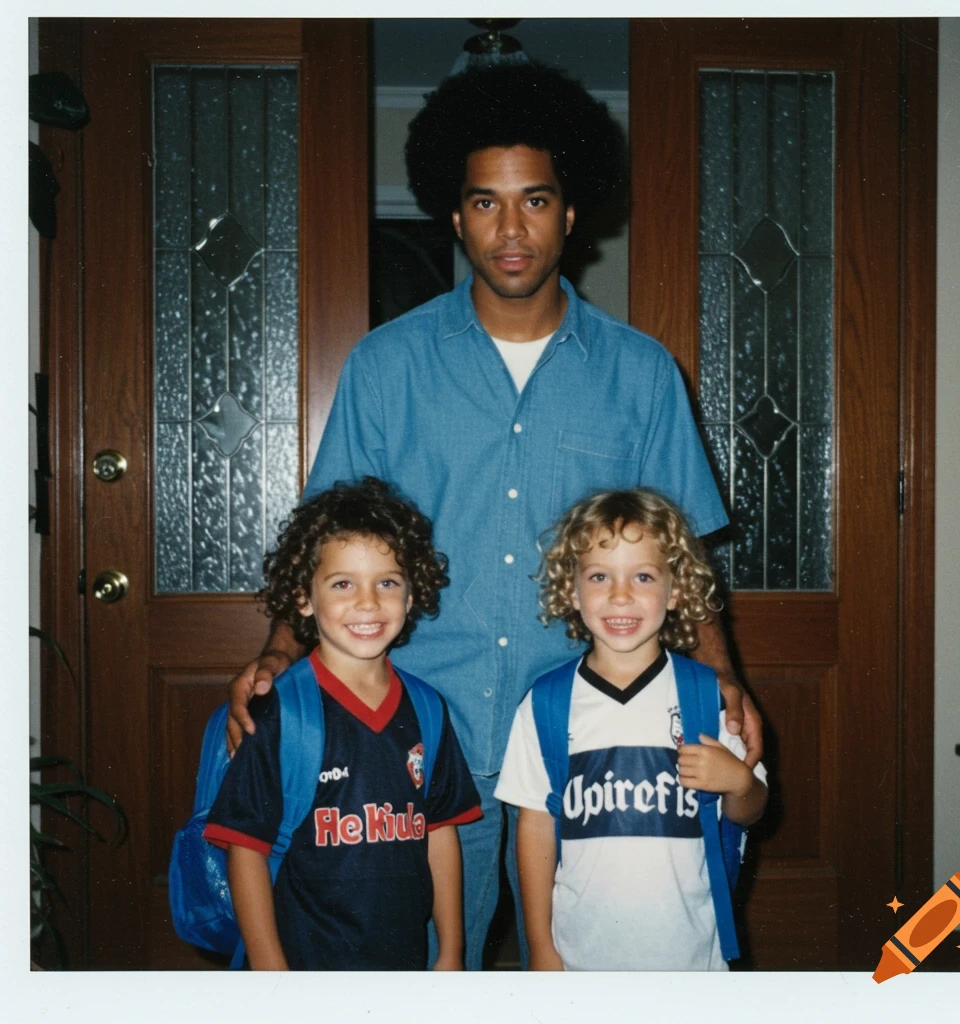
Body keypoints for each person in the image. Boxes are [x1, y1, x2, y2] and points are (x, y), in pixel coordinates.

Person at [226, 59, 763, 969]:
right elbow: (330, 537)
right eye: (485, 203)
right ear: (453, 212)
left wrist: (725, 683)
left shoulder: (639, 374)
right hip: (423, 741)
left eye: (536, 201)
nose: (510, 230)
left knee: (594, 968)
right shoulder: (385, 366)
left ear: (571, 211)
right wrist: (281, 650)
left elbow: (683, 556)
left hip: (596, 742)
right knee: (434, 969)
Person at [204, 477, 482, 970]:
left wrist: (453, 952)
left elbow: (440, 832)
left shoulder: (429, 709)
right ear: (304, 598)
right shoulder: (281, 712)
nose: (368, 603)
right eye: (343, 584)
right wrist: (272, 973)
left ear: (412, 594)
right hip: (303, 966)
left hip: (403, 962)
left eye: (388, 582)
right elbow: (245, 851)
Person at [495, 488, 767, 970]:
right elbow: (535, 827)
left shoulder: (707, 698)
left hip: (690, 963)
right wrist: (539, 944)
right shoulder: (546, 704)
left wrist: (739, 782)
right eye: (600, 576)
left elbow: (750, 810)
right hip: (583, 962)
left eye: (643, 576)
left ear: (676, 589)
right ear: (571, 590)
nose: (621, 595)